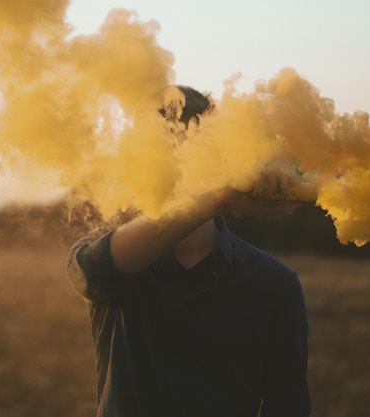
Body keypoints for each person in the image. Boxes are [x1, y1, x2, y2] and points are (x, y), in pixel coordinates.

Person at [66, 86, 311, 417]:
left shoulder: (275, 285)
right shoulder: (109, 257)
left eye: (186, 154)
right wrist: (218, 199)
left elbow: (288, 407)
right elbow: (96, 271)